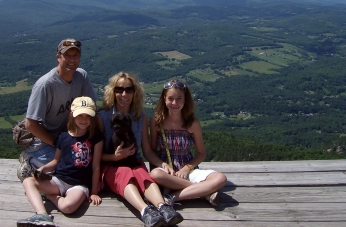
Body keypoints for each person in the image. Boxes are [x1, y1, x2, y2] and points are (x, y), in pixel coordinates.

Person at [98, 72, 183, 227]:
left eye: (129, 90)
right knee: (125, 173)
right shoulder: (102, 117)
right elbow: (95, 155)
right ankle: (145, 211)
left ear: (135, 92)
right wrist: (115, 157)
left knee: (141, 173)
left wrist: (162, 164)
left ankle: (162, 206)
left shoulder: (140, 117)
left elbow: (147, 151)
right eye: (119, 90)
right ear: (113, 91)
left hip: (134, 162)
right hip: (110, 166)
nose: (124, 94)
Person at [17, 38, 98, 181]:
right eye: (67, 56)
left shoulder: (81, 77)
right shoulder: (45, 85)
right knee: (69, 170)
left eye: (75, 56)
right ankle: (30, 162)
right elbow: (30, 124)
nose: (72, 60)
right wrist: (59, 144)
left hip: (70, 136)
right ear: (58, 57)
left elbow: (92, 108)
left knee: (85, 166)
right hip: (45, 141)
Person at [17, 96, 104, 227]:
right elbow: (56, 160)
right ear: (72, 115)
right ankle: (42, 214)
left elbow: (96, 166)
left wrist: (94, 192)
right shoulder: (63, 137)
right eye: (80, 115)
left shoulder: (96, 137)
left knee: (68, 207)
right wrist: (43, 169)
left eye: (88, 116)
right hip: (60, 179)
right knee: (28, 181)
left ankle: (48, 196)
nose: (84, 120)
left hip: (79, 184)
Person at [149, 80, 227, 207]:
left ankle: (173, 197)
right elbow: (151, 152)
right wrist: (163, 165)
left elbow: (201, 153)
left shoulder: (192, 123)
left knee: (220, 178)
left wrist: (186, 168)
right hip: (166, 172)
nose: (175, 103)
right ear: (164, 99)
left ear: (185, 100)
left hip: (188, 169)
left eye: (179, 98)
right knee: (155, 174)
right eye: (171, 98)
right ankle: (203, 191)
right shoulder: (156, 122)